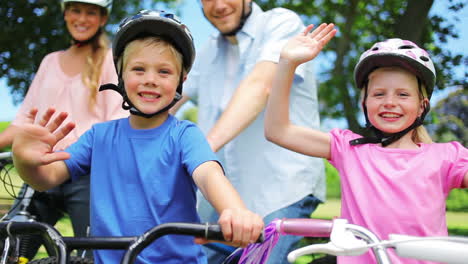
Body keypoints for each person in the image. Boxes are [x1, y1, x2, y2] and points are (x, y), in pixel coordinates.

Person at [11, 10, 264, 264]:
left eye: (164, 72)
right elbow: (47, 179)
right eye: (138, 69)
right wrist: (24, 159)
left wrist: (234, 210)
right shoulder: (98, 136)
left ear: (181, 80)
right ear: (120, 76)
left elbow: (209, 176)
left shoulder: (184, 135)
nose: (150, 80)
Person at [264, 23, 468, 264]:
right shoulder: (349, 148)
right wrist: (287, 63)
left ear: (422, 106)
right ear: (365, 103)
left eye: (403, 95)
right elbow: (278, 131)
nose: (389, 102)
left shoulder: (447, 156)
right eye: (379, 94)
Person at [171, 1, 326, 262]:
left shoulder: (281, 23)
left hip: (281, 189)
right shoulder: (207, 50)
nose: (218, 6)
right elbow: (166, 98)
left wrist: (201, 152)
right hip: (227, 199)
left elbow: (260, 87)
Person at [0, 0, 127, 260]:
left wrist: (79, 149)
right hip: (41, 171)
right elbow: (24, 120)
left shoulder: (109, 60)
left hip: (86, 170)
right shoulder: (50, 62)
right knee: (11, 245)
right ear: (66, 14)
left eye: (91, 12)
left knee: (94, 253)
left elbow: (117, 119)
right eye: (76, 10)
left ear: (102, 19)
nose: (82, 18)